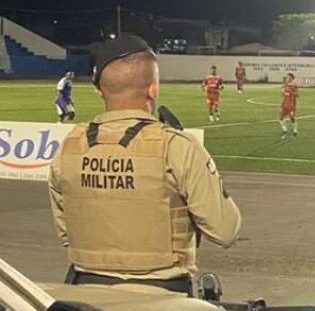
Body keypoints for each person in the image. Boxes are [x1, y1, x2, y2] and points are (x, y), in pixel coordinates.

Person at [48, 35, 241, 295]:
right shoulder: (177, 146)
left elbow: (66, 233)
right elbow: (225, 230)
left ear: (99, 89)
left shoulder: (68, 148)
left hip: (87, 302)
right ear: (152, 89)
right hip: (163, 300)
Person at [279, 72, 299, 138]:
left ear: (291, 78)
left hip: (291, 105)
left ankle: (295, 130)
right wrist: (281, 105)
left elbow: (297, 95)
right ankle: (284, 130)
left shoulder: (293, 85)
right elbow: (283, 95)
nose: (287, 78)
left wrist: (293, 92)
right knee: (281, 118)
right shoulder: (285, 85)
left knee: (292, 118)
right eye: (286, 77)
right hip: (284, 104)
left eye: (288, 77)